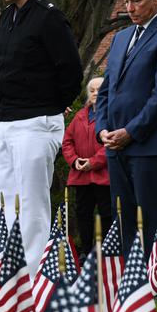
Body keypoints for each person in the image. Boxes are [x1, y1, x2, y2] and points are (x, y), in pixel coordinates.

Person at [0, 0, 83, 271]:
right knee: (5, 201)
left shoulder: (48, 17)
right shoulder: (8, 17)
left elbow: (71, 70)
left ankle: (34, 275)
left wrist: (53, 106)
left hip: (35, 120)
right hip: (6, 120)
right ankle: (9, 271)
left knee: (31, 203)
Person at [95, 0, 157, 257]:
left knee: (148, 220)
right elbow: (106, 90)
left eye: (136, 1)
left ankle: (150, 285)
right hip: (114, 145)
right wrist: (102, 128)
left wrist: (131, 132)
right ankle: (128, 284)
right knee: (122, 218)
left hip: (148, 146)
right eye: (126, 2)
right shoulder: (121, 37)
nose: (130, 8)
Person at [62, 77, 110, 259]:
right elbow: (67, 141)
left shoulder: (111, 114)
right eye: (92, 90)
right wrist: (74, 161)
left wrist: (94, 162)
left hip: (104, 175)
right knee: (83, 214)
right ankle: (86, 251)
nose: (96, 93)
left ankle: (106, 252)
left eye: (100, 89)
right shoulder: (80, 115)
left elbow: (112, 143)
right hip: (81, 175)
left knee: (106, 213)